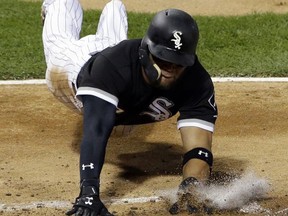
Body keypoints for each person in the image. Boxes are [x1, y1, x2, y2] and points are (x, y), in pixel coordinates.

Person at [42, 0, 218, 215]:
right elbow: (96, 130)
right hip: (74, 69)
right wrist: (89, 193)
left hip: (121, 89)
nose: (171, 69)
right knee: (59, 37)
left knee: (115, 8)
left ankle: (114, 8)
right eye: (163, 61)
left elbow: (198, 148)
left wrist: (192, 188)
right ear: (146, 52)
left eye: (178, 63)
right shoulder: (113, 66)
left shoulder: (196, 82)